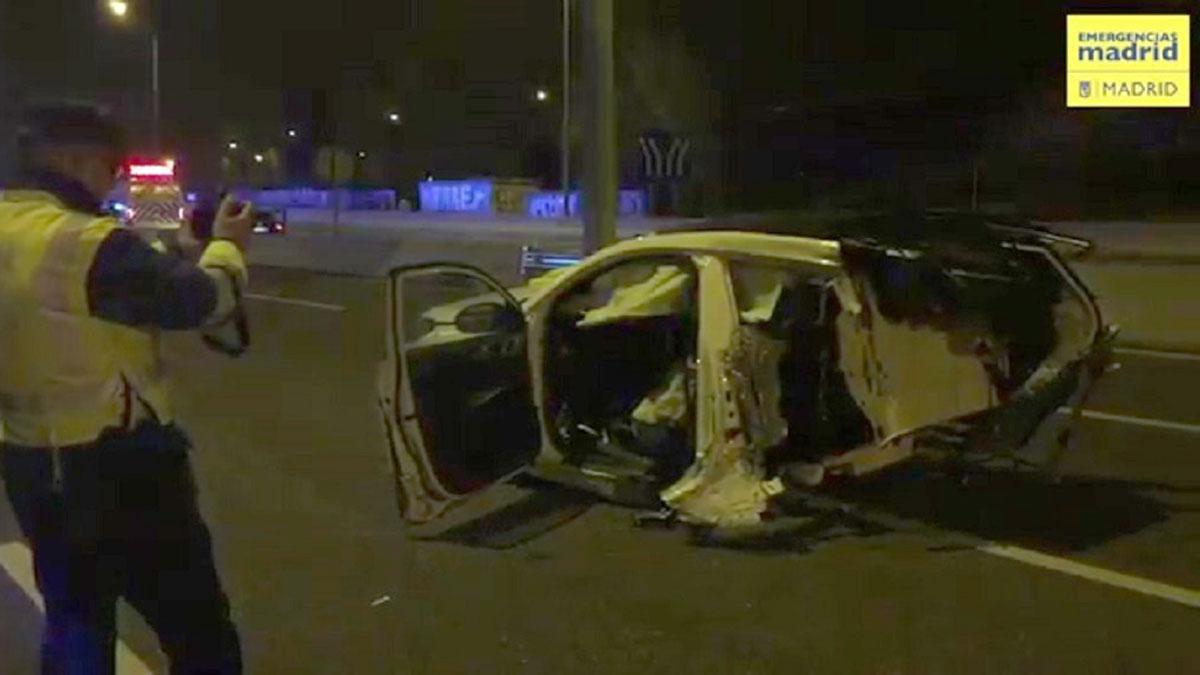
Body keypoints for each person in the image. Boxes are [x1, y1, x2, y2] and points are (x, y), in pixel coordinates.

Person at [0, 103, 251, 674]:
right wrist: (227, 247)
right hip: (122, 465)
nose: (111, 180)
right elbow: (201, 302)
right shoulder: (83, 241)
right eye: (107, 167)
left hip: (31, 462)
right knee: (196, 626)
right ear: (70, 160)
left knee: (76, 621)